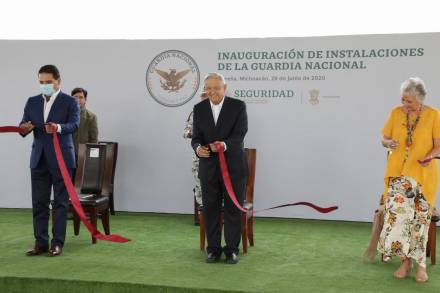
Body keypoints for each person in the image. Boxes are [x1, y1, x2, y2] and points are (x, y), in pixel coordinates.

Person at [377, 77, 440, 282]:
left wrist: (430, 156)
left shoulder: (433, 115)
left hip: (423, 176)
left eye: (409, 101)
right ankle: (406, 262)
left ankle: (421, 265)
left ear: (420, 100)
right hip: (398, 176)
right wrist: (389, 143)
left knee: (420, 220)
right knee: (401, 221)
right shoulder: (395, 113)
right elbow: (383, 138)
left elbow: (439, 145)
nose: (404, 104)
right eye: (403, 100)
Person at [19, 65, 80, 257]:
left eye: (48, 82)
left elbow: (74, 124)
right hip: (38, 159)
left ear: (58, 81)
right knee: (39, 203)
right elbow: (23, 125)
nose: (44, 85)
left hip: (62, 159)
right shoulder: (32, 102)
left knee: (61, 203)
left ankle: (57, 243)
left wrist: (59, 127)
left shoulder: (70, 102)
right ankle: (41, 243)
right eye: (41, 82)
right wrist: (24, 128)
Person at [191, 73, 248, 264]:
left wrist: (223, 145)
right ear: (205, 89)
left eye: (216, 88)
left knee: (233, 209)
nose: (212, 91)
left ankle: (231, 250)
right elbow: (196, 137)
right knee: (211, 209)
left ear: (225, 88)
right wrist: (197, 148)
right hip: (208, 168)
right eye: (209, 88)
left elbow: (240, 134)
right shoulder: (199, 108)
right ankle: (213, 249)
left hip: (233, 168)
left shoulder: (238, 106)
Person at [184, 92, 208, 225]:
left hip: (218, 155)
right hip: (199, 155)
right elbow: (185, 132)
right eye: (203, 97)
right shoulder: (196, 112)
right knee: (200, 185)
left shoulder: (222, 112)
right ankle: (203, 215)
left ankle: (218, 214)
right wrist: (194, 132)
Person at [71, 87, 98, 153]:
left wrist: (92, 159)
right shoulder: (64, 115)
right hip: (66, 154)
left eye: (81, 97)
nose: (78, 99)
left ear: (85, 100)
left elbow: (94, 140)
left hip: (82, 155)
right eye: (75, 97)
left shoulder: (91, 117)